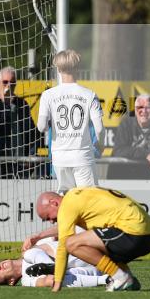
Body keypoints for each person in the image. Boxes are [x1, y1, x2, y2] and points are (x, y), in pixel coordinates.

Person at [27, 186, 150, 292]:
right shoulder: (78, 195)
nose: (51, 221)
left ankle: (119, 276)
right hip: (149, 236)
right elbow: (64, 228)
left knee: (71, 243)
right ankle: (128, 279)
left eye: (47, 217)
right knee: (93, 243)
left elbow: (63, 246)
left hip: (133, 232)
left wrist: (57, 284)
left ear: (53, 203)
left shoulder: (67, 205)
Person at [37, 49, 104, 192]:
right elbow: (99, 128)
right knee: (89, 199)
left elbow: (41, 126)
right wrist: (100, 145)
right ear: (77, 68)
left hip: (59, 158)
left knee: (65, 198)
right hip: (82, 156)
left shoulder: (48, 95)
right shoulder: (90, 95)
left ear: (58, 69)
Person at [0, 66, 39, 179]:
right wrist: (4, 103)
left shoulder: (22, 104)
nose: (9, 86)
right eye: (5, 82)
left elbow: (32, 133)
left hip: (19, 165)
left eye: (12, 82)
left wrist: (31, 155)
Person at [0, 238, 108, 288]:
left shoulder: (34, 245)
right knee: (56, 280)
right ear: (11, 281)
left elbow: (59, 231)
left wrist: (37, 236)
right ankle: (105, 280)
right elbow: (47, 281)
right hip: (93, 270)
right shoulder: (26, 280)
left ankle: (51, 267)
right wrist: (48, 279)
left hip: (95, 246)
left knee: (28, 253)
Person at [108, 94, 150, 180]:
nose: (143, 111)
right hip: (120, 175)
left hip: (146, 175)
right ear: (135, 110)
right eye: (139, 108)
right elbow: (119, 150)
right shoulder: (126, 122)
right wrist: (146, 154)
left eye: (148, 108)